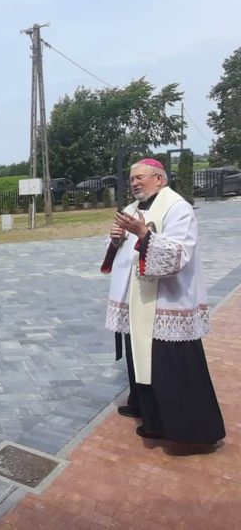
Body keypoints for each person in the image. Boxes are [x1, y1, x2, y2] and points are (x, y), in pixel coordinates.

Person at [105, 158, 224, 444]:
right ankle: (144, 408)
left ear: (159, 178)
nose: (134, 182)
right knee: (138, 358)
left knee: (167, 367)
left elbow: (178, 253)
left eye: (140, 177)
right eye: (132, 178)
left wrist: (144, 234)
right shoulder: (132, 209)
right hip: (135, 300)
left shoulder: (178, 208)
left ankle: (177, 427)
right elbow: (120, 252)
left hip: (166, 301)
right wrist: (116, 239)